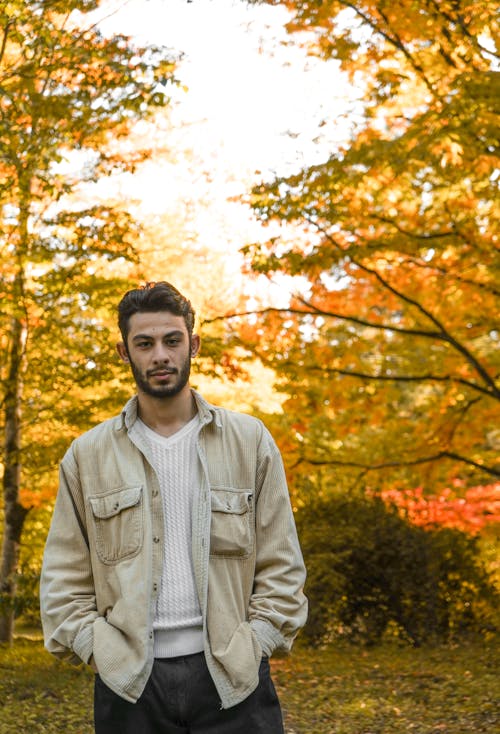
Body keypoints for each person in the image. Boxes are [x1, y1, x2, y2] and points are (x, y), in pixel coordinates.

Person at [40, 281, 307, 734]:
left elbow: (282, 563)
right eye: (144, 344)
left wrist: (258, 641)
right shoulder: (87, 456)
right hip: (130, 684)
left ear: (193, 345)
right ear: (124, 353)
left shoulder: (249, 441)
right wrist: (98, 649)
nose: (160, 355)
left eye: (172, 341)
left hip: (233, 678)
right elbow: (63, 578)